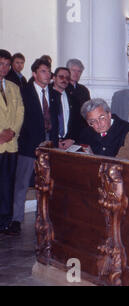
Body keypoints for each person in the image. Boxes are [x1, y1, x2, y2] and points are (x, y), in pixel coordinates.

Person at [8, 58, 60, 235]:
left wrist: (55, 142)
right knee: (22, 183)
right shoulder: (25, 92)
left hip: (49, 147)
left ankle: (43, 216)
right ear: (35, 73)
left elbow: (55, 121)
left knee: (45, 184)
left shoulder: (54, 94)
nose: (47, 74)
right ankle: (16, 219)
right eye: (44, 71)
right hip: (28, 145)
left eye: (48, 71)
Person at [0, 49, 24, 234]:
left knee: (8, 183)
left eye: (7, 64)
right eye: (1, 64)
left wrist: (12, 131)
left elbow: (20, 112)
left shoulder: (13, 87)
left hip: (11, 143)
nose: (5, 68)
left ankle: (6, 220)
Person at [51, 67, 84, 150]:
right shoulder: (46, 96)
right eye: (61, 77)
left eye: (67, 78)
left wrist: (72, 139)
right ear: (54, 78)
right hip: (49, 143)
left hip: (68, 145)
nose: (64, 80)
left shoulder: (73, 99)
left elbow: (79, 123)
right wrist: (54, 141)